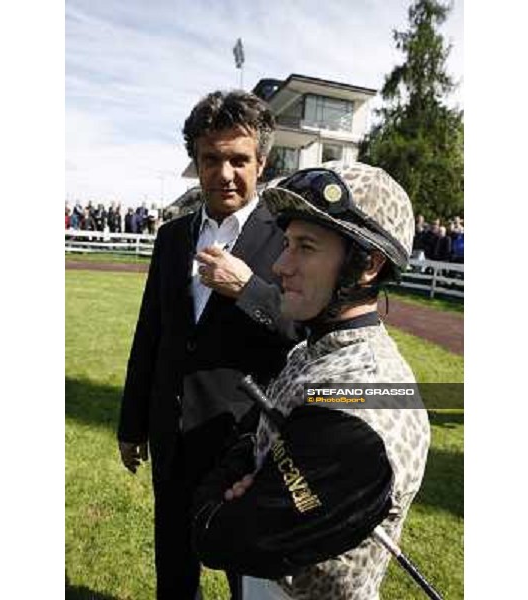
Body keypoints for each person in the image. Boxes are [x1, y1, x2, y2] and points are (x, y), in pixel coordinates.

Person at [192, 162, 431, 600]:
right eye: (286, 243)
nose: (280, 265)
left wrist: (228, 487)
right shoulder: (310, 350)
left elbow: (221, 537)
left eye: (305, 246)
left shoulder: (368, 400)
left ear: (368, 264)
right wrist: (251, 462)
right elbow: (255, 442)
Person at [117, 90, 300, 600]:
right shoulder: (173, 237)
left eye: (238, 159)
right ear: (196, 162)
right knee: (174, 570)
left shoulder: (289, 239)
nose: (224, 173)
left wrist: (250, 291)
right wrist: (132, 424)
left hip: (244, 446)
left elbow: (305, 337)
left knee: (247, 576)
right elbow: (150, 333)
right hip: (172, 435)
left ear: (262, 162)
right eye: (211, 159)